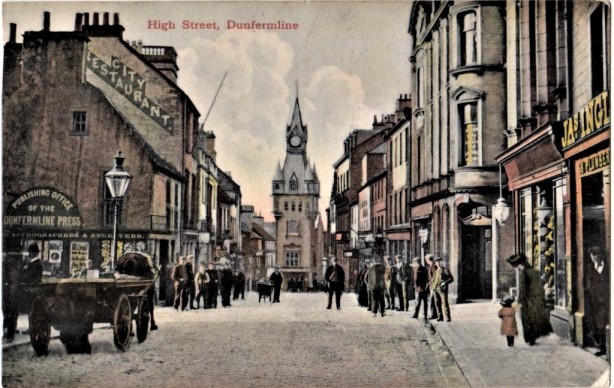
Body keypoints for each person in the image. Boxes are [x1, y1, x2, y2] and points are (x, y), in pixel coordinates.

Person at [507, 253, 553, 345]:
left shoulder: (523, 273)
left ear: (519, 264)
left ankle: (529, 338)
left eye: (515, 265)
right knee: (534, 319)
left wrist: (519, 302)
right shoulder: (535, 271)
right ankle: (533, 337)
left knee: (526, 319)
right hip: (536, 300)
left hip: (526, 301)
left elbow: (522, 289)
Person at [585, 247, 609, 355]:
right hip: (594, 302)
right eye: (592, 255)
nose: (594, 257)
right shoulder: (589, 268)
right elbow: (586, 285)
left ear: (601, 255)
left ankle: (604, 347)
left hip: (606, 301)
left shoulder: (608, 267)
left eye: (596, 254)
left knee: (603, 323)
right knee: (597, 323)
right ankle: (601, 346)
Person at [3, 241, 22, 343]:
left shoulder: (7, 263)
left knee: (9, 312)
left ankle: (9, 333)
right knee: (11, 313)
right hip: (11, 290)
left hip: (10, 290)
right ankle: (10, 333)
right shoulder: (15, 263)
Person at [431, 256, 453, 322]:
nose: (438, 263)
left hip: (442, 289)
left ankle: (447, 317)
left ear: (441, 262)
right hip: (435, 289)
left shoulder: (445, 270)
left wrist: (445, 283)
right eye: (437, 262)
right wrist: (432, 286)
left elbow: (451, 278)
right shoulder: (436, 270)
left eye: (439, 261)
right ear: (435, 263)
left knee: (444, 303)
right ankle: (440, 317)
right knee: (437, 303)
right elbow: (434, 279)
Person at [411, 257, 429, 322]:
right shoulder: (415, 269)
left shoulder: (423, 269)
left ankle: (423, 314)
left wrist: (421, 287)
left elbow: (425, 279)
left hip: (422, 288)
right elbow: (415, 279)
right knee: (418, 301)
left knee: (422, 301)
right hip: (417, 288)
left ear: (417, 262)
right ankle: (416, 314)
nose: (414, 264)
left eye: (414, 262)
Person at [425, 254, 440, 320]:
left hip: (433, 286)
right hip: (431, 285)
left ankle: (434, 314)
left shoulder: (433, 266)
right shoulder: (431, 266)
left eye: (426, 260)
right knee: (432, 300)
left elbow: (434, 277)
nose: (426, 261)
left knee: (432, 301)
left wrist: (431, 281)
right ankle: (434, 314)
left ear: (428, 260)